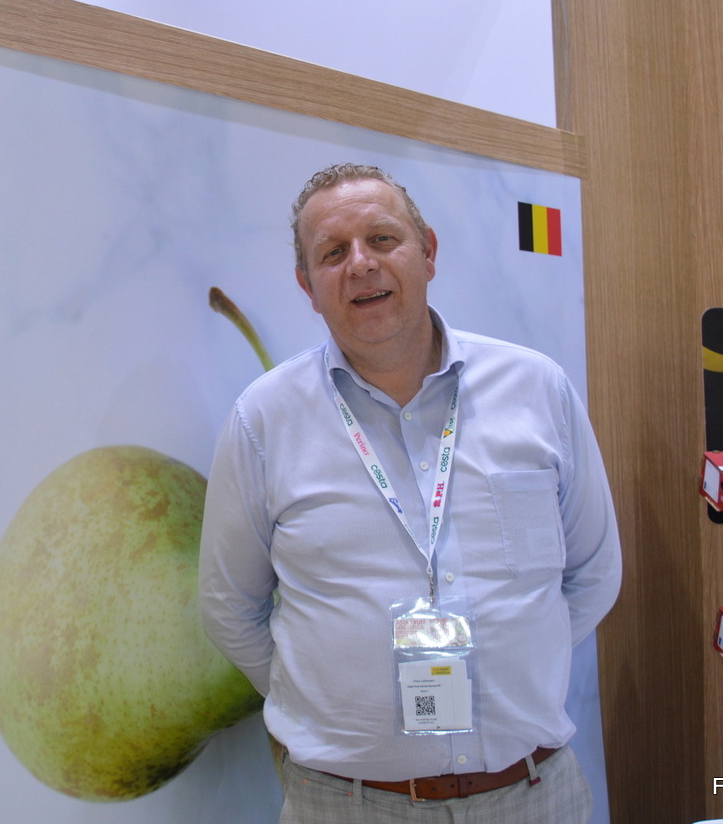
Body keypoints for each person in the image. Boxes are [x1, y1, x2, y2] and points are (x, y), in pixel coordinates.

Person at [199, 163, 621, 823]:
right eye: (332, 253)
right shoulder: (264, 419)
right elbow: (230, 605)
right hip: (346, 804)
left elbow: (594, 571)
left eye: (382, 239)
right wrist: (327, 698)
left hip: (533, 794)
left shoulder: (537, 389)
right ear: (308, 287)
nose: (361, 264)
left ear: (428, 252)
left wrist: (519, 660)